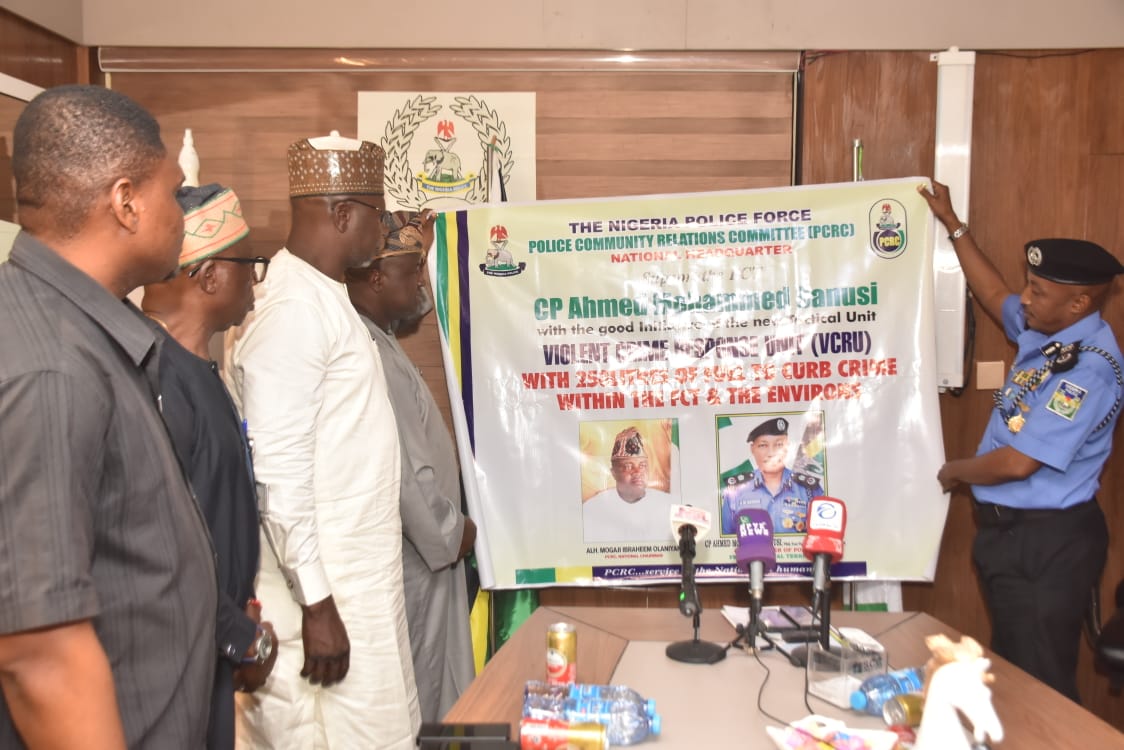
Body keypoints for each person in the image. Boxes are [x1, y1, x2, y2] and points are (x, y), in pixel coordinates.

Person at [0, 84, 217, 747]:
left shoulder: (86, 331)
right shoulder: (52, 369)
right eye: (173, 193)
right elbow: (39, 655)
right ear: (126, 202)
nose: (182, 213)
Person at [225, 132, 420, 747]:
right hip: (324, 600)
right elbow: (276, 472)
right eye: (378, 215)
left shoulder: (323, 297)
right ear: (341, 215)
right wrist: (316, 604)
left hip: (356, 585)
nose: (384, 230)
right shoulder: (292, 310)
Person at [920, 179, 1123, 703]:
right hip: (1012, 537)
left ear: (1079, 302)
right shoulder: (1047, 331)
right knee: (1016, 678)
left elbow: (1017, 464)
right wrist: (953, 223)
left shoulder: (1088, 372)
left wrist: (953, 472)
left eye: (1038, 291)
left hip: (1046, 543)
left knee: (1041, 689)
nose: (1025, 299)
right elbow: (992, 294)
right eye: (1029, 285)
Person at [141, 183, 278, 749]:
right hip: (172, 662)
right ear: (211, 276)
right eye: (250, 266)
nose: (256, 282)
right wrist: (239, 636)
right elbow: (161, 547)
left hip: (210, 648)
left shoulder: (197, 370)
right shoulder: (155, 380)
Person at [344, 209, 476, 723]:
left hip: (428, 555)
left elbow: (414, 299)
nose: (422, 280)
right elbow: (406, 473)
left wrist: (421, 243)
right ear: (376, 278)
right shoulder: (369, 354)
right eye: (412, 270)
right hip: (421, 556)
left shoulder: (379, 331)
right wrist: (453, 531)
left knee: (443, 683)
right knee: (425, 688)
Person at [721, 417, 822, 535]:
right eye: (763, 445)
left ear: (788, 447)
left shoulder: (809, 490)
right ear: (752, 449)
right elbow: (726, 538)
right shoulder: (736, 490)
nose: (771, 453)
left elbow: (821, 535)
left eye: (779, 444)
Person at [583, 426, 677, 542]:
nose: (637, 472)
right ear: (613, 473)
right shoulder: (592, 508)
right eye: (628, 466)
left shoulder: (668, 506)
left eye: (642, 465)